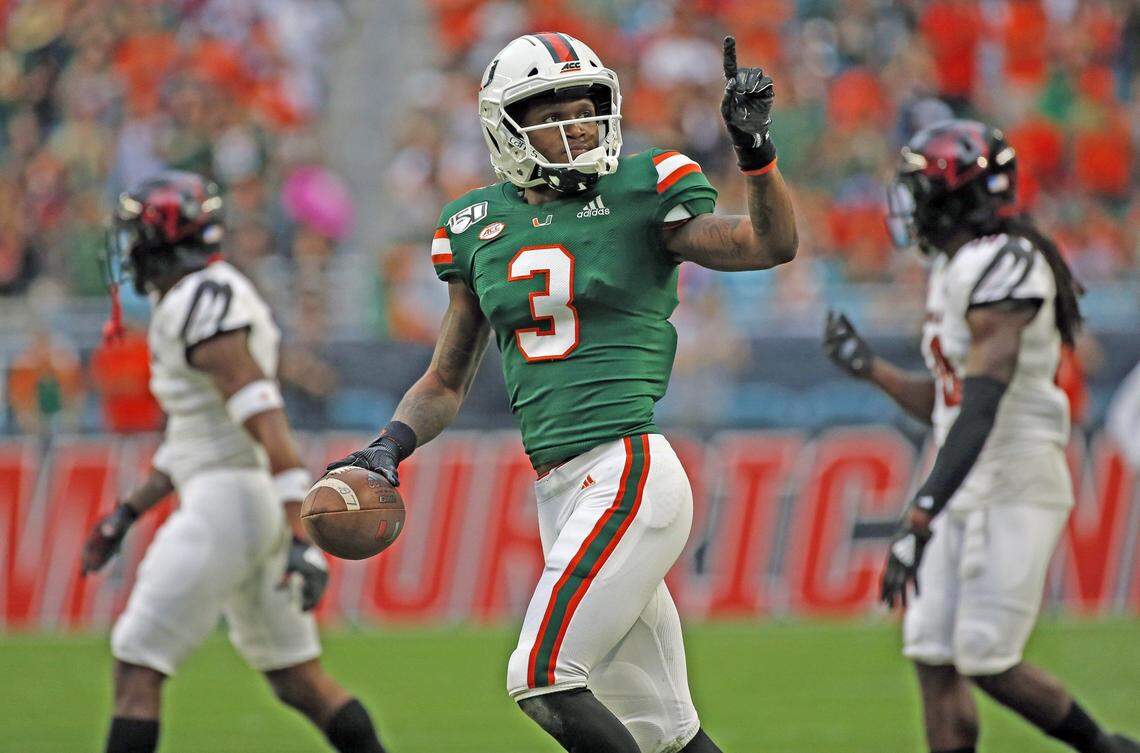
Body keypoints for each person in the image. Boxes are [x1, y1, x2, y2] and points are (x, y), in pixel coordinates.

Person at [329, 32, 796, 753]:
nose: (578, 123)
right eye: (554, 112)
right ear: (505, 127)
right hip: (561, 487)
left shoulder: (645, 191)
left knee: (541, 674)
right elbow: (445, 380)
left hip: (626, 469)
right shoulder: (477, 226)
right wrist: (387, 447)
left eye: (588, 106)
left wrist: (756, 153)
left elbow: (769, 245)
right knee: (665, 731)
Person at [824, 120, 1138, 753]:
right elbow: (949, 402)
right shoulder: (955, 267)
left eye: (922, 187)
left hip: (1015, 478)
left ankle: (1105, 748)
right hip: (967, 473)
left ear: (956, 193)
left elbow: (985, 404)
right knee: (930, 651)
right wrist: (873, 371)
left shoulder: (1009, 262)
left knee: (987, 659)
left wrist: (921, 511)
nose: (910, 203)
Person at [81, 172, 388, 753]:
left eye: (136, 233)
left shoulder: (200, 297)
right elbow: (195, 440)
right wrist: (124, 515)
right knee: (300, 681)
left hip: (229, 505)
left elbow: (263, 412)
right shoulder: (198, 296)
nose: (129, 248)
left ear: (162, 237)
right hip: (242, 500)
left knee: (136, 667)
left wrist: (303, 533)